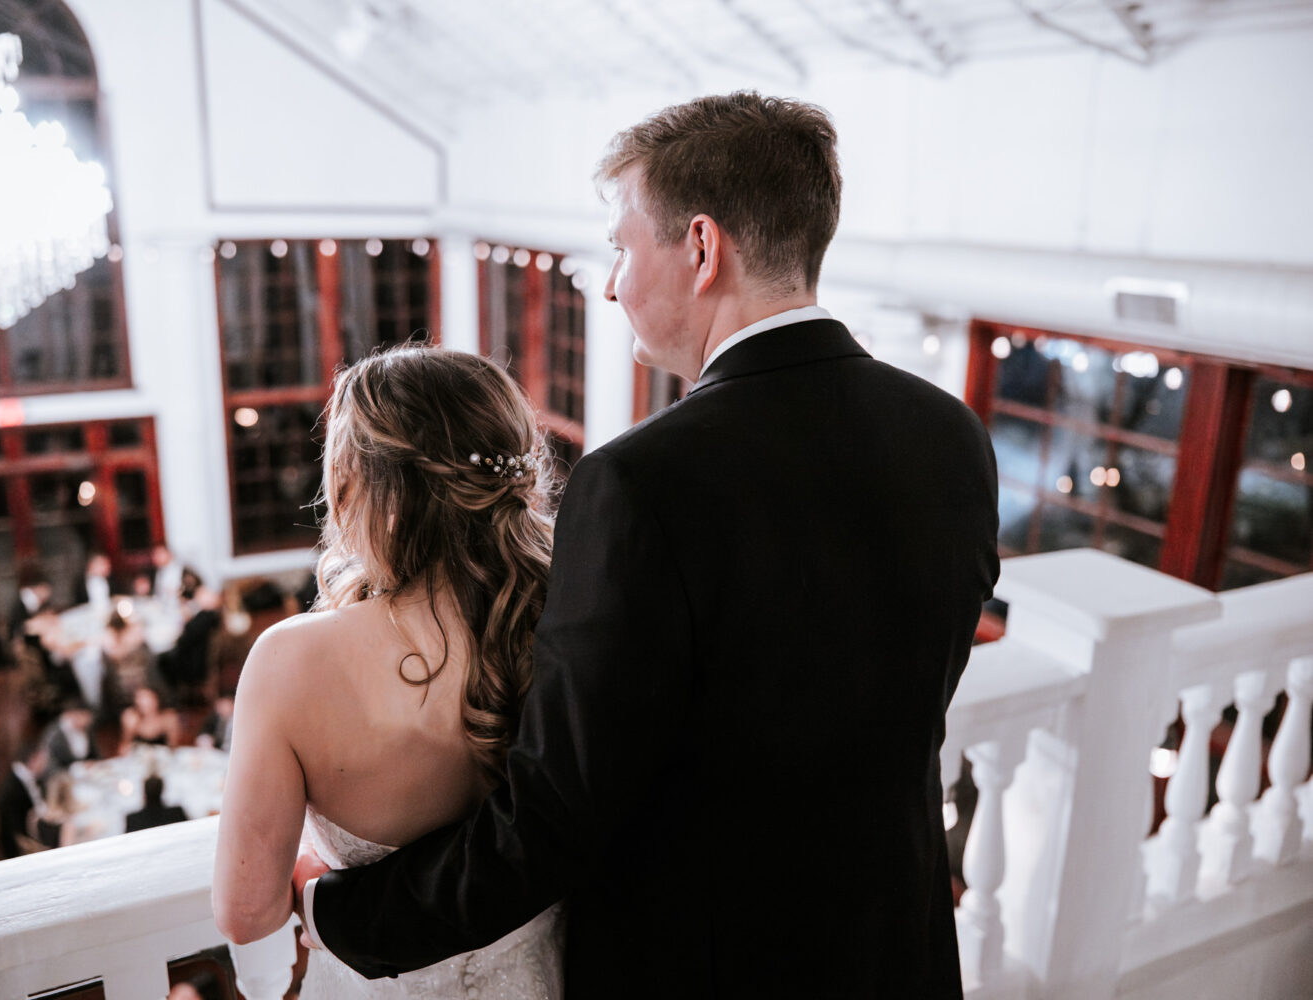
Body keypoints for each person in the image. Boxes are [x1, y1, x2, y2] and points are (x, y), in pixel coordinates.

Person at [302, 93, 1000, 998]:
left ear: (702, 249)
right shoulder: (949, 434)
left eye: (620, 248)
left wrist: (343, 913)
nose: (611, 283)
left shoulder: (640, 483)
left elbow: (552, 817)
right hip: (893, 948)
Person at [212, 345, 560, 998]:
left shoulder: (291, 664)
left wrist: (316, 880)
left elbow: (245, 908)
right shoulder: (577, 610)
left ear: (368, 493)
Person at [40, 700, 100, 776]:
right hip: (63, 780)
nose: (86, 724)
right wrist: (77, 768)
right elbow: (51, 767)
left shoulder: (85, 729)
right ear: (73, 715)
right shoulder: (54, 735)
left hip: (87, 775)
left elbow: (94, 754)